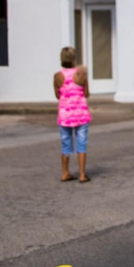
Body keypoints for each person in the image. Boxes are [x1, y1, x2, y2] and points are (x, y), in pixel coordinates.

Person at [55, 46, 91, 182]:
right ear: (74, 58)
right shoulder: (81, 74)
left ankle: (65, 173)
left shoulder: (57, 76)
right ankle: (82, 174)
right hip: (81, 113)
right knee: (81, 144)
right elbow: (86, 93)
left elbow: (58, 95)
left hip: (64, 115)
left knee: (66, 144)